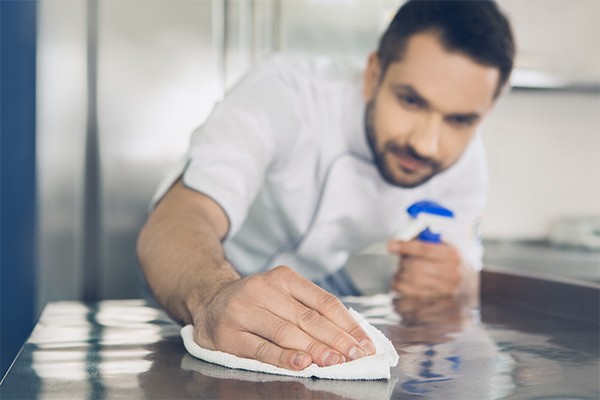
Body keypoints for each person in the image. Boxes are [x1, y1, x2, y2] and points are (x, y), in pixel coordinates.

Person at [137, 0, 515, 371]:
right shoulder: (286, 92)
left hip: (319, 283)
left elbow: (464, 276)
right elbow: (179, 218)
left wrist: (452, 280)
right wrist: (212, 297)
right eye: (411, 100)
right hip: (202, 273)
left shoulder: (464, 159)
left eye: (460, 120)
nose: (426, 144)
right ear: (372, 74)